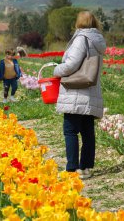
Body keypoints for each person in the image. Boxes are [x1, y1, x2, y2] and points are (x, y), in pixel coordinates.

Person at [53, 11, 106, 179]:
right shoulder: (97, 40)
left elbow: (71, 65)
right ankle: (86, 168)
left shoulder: (81, 38)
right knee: (87, 131)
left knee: (70, 131)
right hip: (90, 89)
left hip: (76, 90)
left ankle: (72, 169)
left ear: (78, 23)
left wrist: (57, 70)